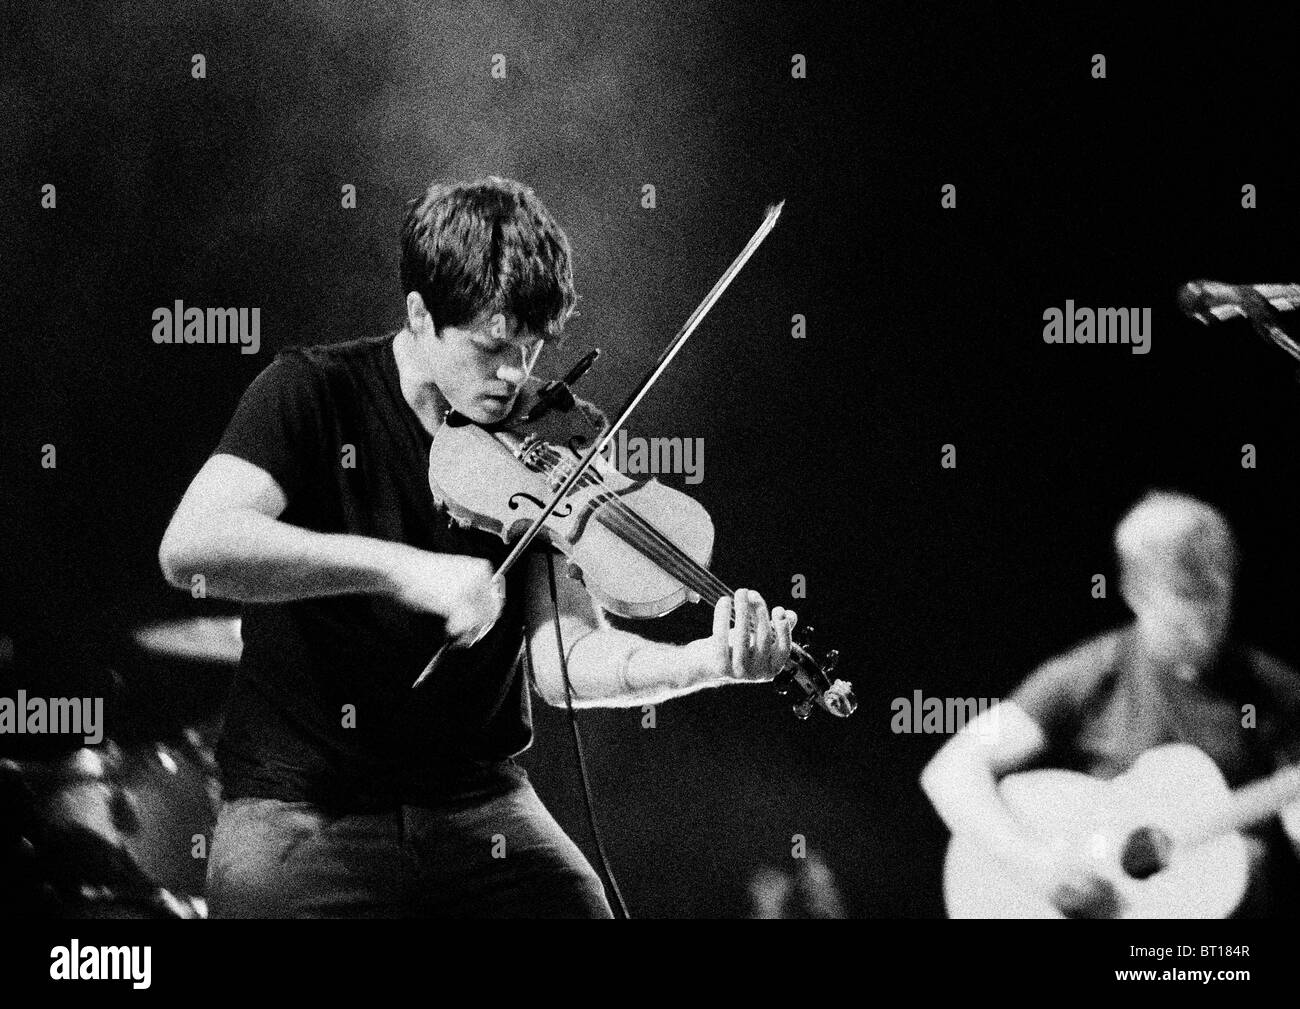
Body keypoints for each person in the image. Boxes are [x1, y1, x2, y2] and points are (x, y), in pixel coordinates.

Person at [157, 176, 797, 918]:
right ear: (420, 315)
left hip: (478, 806)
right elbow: (192, 545)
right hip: (302, 807)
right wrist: (404, 571)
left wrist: (703, 664)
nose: (513, 378)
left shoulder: (558, 432)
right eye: (492, 348)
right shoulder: (309, 391)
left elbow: (567, 658)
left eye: (531, 350)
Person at [921, 491, 1300, 918]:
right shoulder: (1091, 674)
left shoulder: (1277, 692)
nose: (1203, 617)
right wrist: (1036, 865)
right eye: (1184, 594)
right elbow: (951, 770)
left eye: (1215, 592)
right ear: (1135, 591)